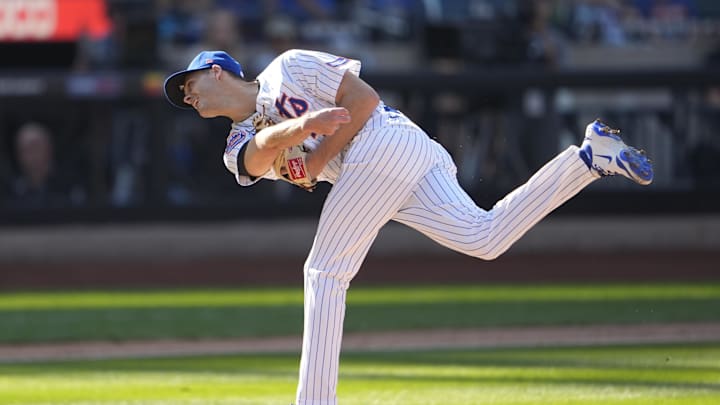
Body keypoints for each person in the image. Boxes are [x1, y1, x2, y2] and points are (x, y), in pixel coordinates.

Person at [163, 49, 653, 405]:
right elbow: (260, 154)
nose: (187, 96)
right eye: (182, 95)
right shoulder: (233, 146)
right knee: (483, 239)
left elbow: (364, 99)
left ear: (217, 71)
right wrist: (304, 131)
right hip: (387, 160)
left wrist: (320, 146)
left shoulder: (288, 67)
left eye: (189, 84)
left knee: (324, 273)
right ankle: (589, 160)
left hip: (387, 142)